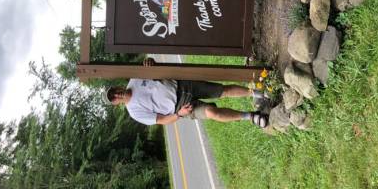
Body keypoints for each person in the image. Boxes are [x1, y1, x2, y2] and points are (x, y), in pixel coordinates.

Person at [104, 58, 269, 128]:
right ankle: (250, 116)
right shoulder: (134, 112)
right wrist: (180, 114)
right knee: (212, 113)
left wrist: (151, 63)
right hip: (182, 106)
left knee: (221, 91)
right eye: (114, 98)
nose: (117, 95)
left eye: (114, 91)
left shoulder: (135, 77)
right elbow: (161, 120)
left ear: (117, 87)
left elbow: (155, 70)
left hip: (183, 84)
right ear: (116, 104)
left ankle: (255, 93)